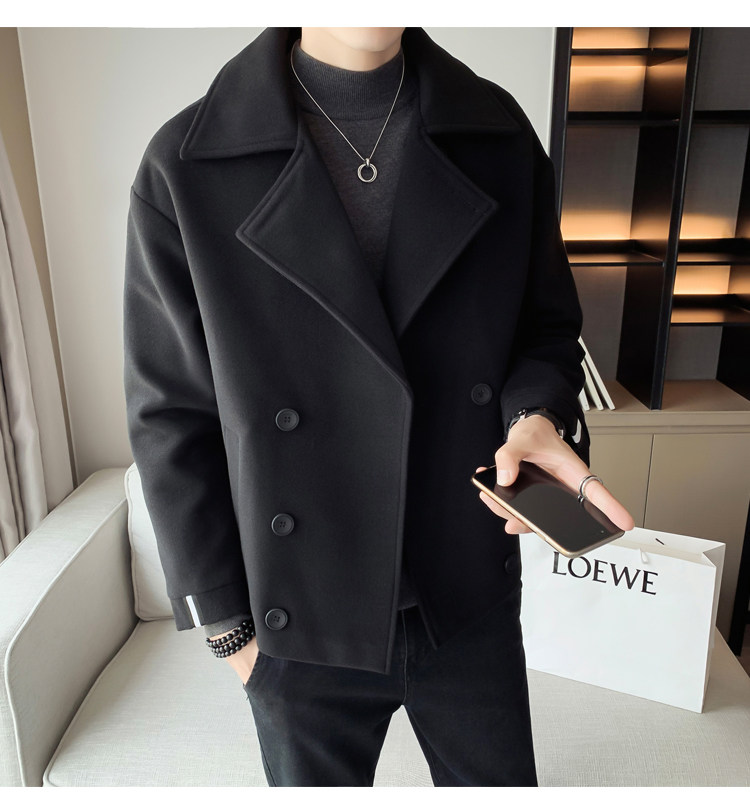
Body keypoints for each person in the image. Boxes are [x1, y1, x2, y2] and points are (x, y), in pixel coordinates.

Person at [123, 26, 635, 787]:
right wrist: (229, 632)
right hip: (301, 615)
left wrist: (535, 416)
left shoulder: (496, 132)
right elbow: (169, 415)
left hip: (466, 592)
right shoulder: (188, 162)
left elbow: (546, 330)